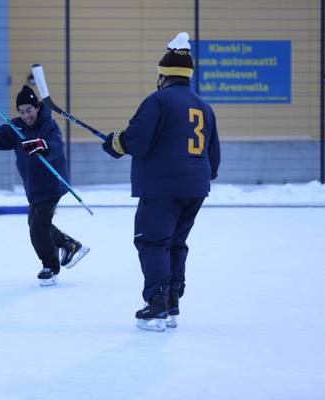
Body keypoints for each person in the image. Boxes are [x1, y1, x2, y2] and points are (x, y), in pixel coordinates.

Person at [102, 32, 221, 331]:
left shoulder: (158, 101)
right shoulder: (204, 107)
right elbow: (214, 158)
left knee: (153, 242)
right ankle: (172, 301)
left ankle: (156, 305)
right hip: (196, 188)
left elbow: (137, 141)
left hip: (162, 188)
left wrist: (116, 142)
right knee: (175, 244)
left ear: (163, 75)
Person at [0, 85, 89, 286]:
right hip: (33, 187)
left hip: (52, 183)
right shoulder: (17, 128)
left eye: (29, 110)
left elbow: (56, 146)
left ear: (38, 108)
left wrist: (42, 145)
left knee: (38, 226)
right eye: (22, 111)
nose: (26, 116)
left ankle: (50, 267)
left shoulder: (48, 125)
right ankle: (69, 244)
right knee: (37, 224)